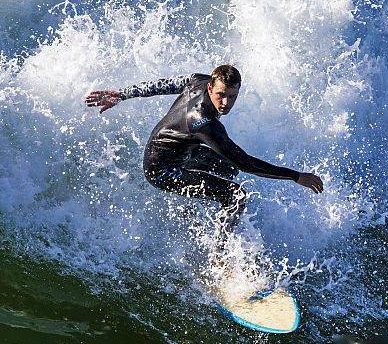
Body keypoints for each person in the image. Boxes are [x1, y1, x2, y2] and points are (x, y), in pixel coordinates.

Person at [84, 65, 323, 249]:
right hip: (162, 168)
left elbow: (163, 85)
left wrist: (122, 94)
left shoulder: (198, 80)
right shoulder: (203, 124)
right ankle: (218, 254)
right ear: (210, 88)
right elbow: (246, 161)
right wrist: (295, 176)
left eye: (232, 96)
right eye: (221, 95)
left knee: (229, 171)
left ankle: (203, 208)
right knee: (236, 194)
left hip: (183, 148)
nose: (226, 103)